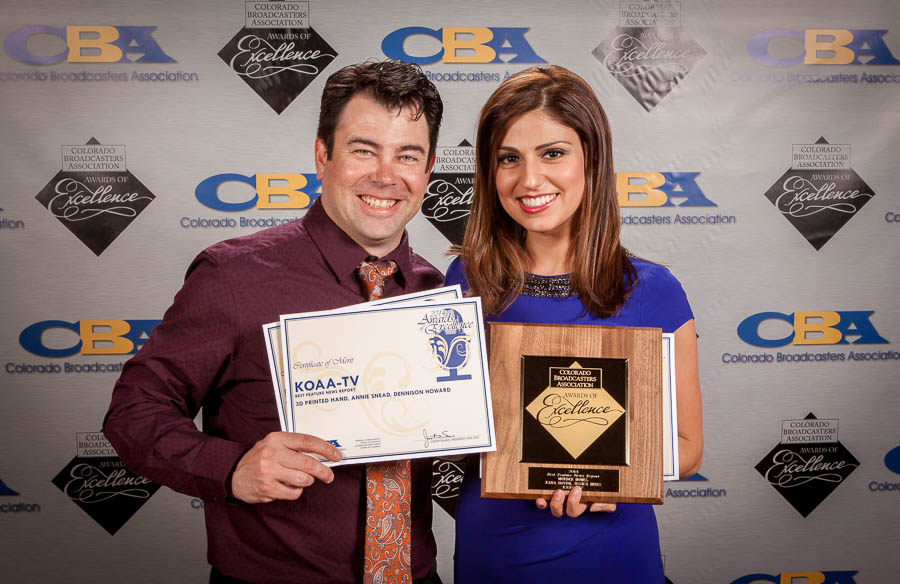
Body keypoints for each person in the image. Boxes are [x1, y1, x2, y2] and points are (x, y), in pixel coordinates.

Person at [103, 60, 445, 584]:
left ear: (428, 169)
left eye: (407, 155)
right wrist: (230, 469)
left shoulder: (437, 294)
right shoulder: (234, 275)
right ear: (322, 155)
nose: (385, 175)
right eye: (363, 150)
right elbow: (134, 411)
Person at [445, 65, 703, 583]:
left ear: (592, 159)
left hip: (610, 552)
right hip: (493, 549)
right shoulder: (465, 280)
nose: (529, 179)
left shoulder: (653, 290)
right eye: (509, 158)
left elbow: (688, 448)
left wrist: (605, 476)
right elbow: (447, 426)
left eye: (553, 153)